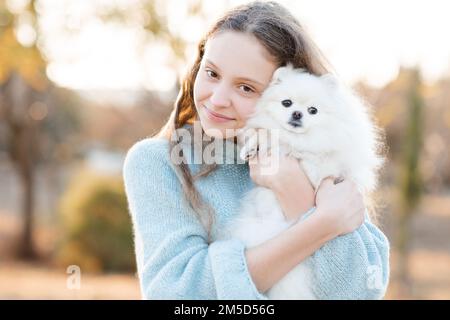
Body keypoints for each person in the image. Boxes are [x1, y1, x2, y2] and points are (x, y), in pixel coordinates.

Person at [123, 1, 390, 299]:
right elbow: (177, 295)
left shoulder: (325, 163)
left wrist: (296, 191)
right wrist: (321, 222)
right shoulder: (158, 162)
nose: (218, 99)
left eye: (246, 88)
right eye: (211, 73)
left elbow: (360, 291)